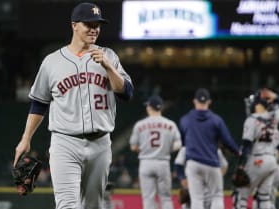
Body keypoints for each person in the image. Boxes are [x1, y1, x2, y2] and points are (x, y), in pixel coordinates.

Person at [13, 2, 133, 209]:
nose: (94, 29)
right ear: (74, 25)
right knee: (67, 205)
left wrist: (108, 67)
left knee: (93, 206)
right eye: (89, 24)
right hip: (65, 143)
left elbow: (127, 93)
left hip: (100, 144)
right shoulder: (52, 62)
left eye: (98, 25)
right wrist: (26, 139)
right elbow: (39, 104)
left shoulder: (109, 56)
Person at [179, 88, 239, 209]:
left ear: (194, 101)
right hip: (211, 162)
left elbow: (183, 142)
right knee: (216, 196)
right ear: (209, 102)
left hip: (193, 163)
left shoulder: (185, 120)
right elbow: (227, 141)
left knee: (196, 198)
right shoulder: (216, 120)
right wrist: (238, 152)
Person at [232, 93, 279, 209]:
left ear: (256, 103)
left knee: (239, 196)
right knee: (263, 199)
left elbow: (247, 145)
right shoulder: (273, 120)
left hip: (257, 160)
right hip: (272, 162)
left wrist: (240, 166)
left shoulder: (252, 119)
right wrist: (276, 97)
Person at [129, 95, 182, 209]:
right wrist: (166, 148)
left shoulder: (140, 124)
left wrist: (143, 149)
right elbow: (178, 144)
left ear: (149, 107)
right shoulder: (170, 124)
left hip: (146, 162)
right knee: (166, 198)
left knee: (148, 198)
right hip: (163, 162)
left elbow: (133, 147)